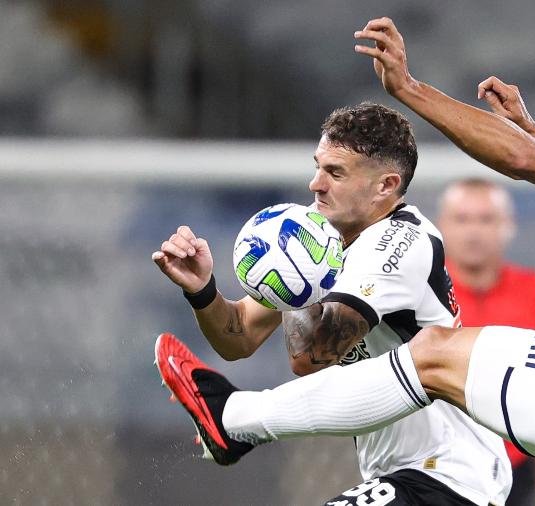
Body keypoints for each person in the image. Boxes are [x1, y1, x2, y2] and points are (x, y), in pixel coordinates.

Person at [156, 17, 535, 504]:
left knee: (435, 353)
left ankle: (234, 416)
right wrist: (533, 127)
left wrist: (408, 89)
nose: (317, 184)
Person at [152, 102, 512, 506]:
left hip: (452, 471)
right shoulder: (320, 231)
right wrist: (203, 291)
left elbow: (309, 357)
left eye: (335, 173)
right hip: (401, 473)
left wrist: (300, 269)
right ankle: (233, 424)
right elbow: (239, 336)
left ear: (385, 185)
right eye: (318, 166)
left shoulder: (402, 243)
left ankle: (235, 422)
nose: (315, 184)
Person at [439, 178, 535, 505]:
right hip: (436, 459)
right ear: (443, 226)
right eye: (463, 219)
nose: (474, 231)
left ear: (508, 225)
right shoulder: (423, 293)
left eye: (486, 219)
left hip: (516, 461)